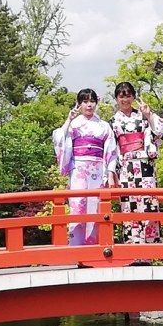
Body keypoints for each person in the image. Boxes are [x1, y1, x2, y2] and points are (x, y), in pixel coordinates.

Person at [52, 88, 117, 246]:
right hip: (79, 168)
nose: (89, 105)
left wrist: (110, 174)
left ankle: (95, 246)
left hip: (97, 167)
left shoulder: (103, 126)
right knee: (78, 203)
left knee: (95, 206)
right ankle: (77, 247)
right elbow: (59, 138)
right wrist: (68, 120)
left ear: (96, 103)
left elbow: (111, 150)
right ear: (79, 104)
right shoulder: (74, 124)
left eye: (92, 101)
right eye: (85, 102)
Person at [109, 82, 163, 245]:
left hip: (144, 164)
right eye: (121, 96)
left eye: (128, 95)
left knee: (149, 203)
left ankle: (150, 248)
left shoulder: (142, 116)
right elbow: (111, 149)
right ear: (116, 98)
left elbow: (160, 133)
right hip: (126, 166)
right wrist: (112, 173)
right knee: (128, 205)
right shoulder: (113, 121)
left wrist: (149, 115)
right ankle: (132, 246)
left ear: (133, 97)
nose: (125, 99)